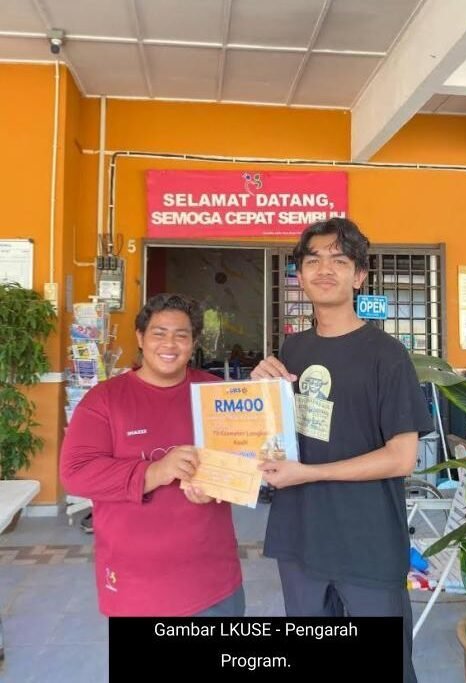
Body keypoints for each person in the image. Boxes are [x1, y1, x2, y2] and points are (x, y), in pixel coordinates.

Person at [251, 217, 432, 683]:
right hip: (300, 538)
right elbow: (276, 441)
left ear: (359, 276)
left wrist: (310, 473)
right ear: (300, 275)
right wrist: (258, 396)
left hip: (367, 545)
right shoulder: (292, 349)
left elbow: (401, 457)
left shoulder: (387, 355)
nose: (325, 269)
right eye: (313, 260)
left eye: (339, 259)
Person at [60, 293, 244, 617]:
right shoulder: (104, 400)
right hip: (137, 586)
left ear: (194, 343)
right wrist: (156, 471)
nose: (169, 344)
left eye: (181, 335)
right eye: (159, 333)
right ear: (140, 338)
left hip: (212, 579)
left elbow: (243, 460)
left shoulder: (216, 393)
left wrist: (220, 484)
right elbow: (76, 474)